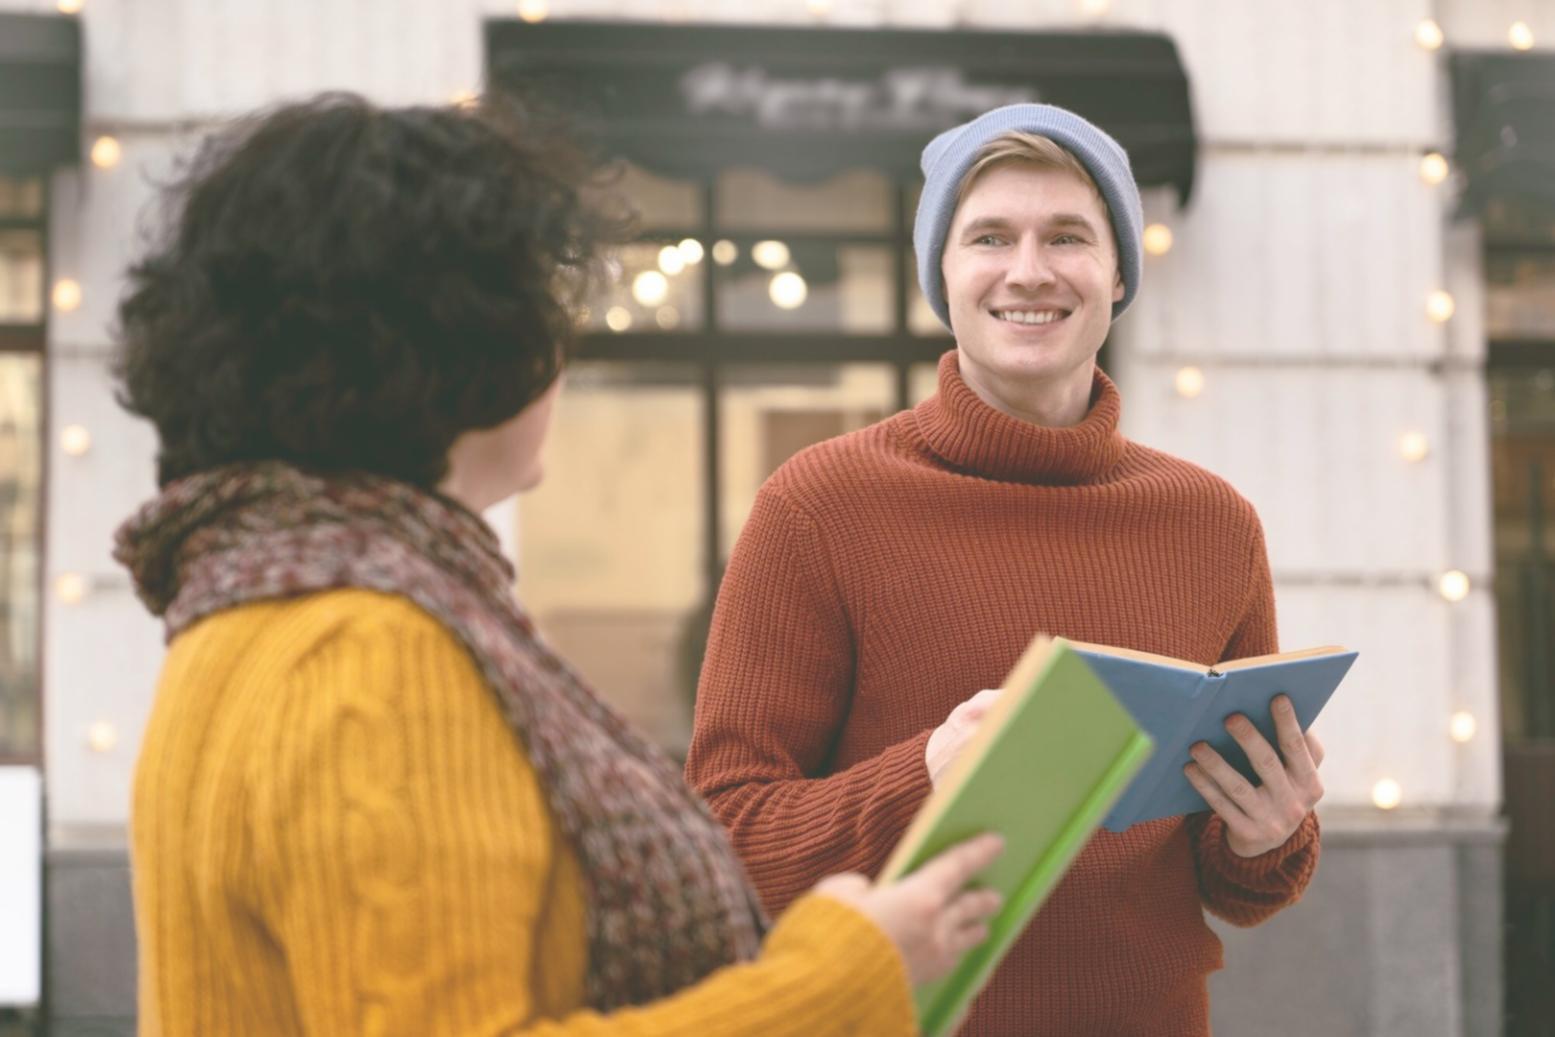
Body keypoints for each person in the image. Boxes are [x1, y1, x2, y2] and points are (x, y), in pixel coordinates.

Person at [110, 92, 1008, 1036]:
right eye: (540, 304)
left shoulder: (243, 604)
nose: (560, 347)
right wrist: (849, 974)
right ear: (462, 342)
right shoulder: (366, 651)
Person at [685, 103, 1327, 1037]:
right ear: (941, 276)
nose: (1028, 270)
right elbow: (726, 839)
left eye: (1066, 236)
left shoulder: (1212, 522)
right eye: (989, 236)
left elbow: (1235, 884)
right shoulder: (817, 505)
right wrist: (925, 776)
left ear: (1116, 274)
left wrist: (1265, 833)